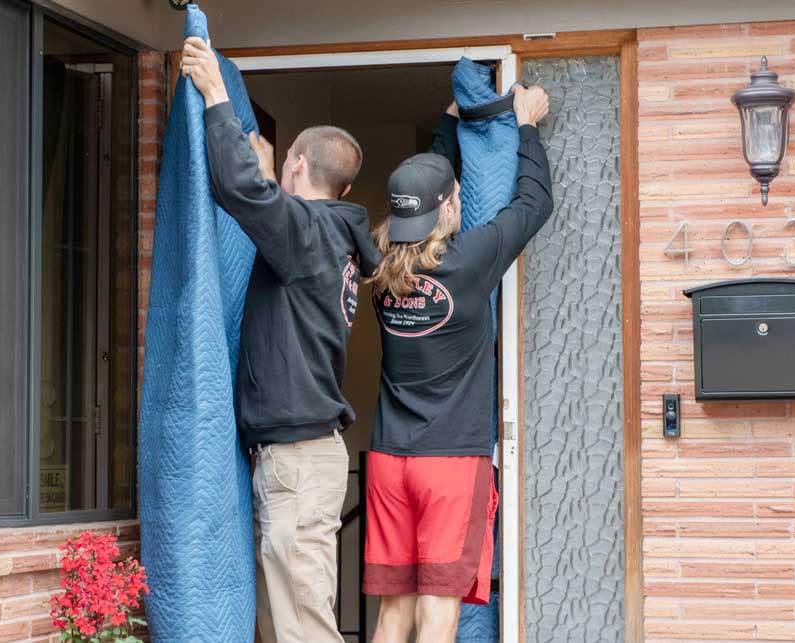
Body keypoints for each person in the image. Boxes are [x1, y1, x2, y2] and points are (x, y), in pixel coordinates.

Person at [181, 37, 381, 643]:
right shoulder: (334, 237)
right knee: (287, 618)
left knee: (304, 626)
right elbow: (269, 206)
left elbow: (245, 193)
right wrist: (271, 181)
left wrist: (217, 95)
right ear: (345, 190)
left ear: (296, 164)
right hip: (301, 456)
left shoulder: (310, 233)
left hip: (296, 461)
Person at [363, 84, 553, 643]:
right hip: (449, 464)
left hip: (388, 462)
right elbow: (533, 204)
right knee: (438, 609)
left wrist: (445, 127)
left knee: (393, 612)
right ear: (449, 205)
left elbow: (420, 198)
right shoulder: (469, 260)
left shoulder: (377, 268)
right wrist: (526, 126)